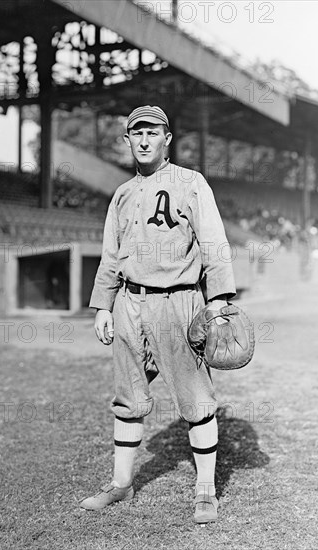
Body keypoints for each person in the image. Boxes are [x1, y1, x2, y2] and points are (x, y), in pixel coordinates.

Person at [80, 105, 236, 524]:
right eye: (137, 133)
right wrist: (102, 306)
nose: (145, 140)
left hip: (178, 302)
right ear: (127, 141)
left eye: (153, 132)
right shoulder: (123, 193)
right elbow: (111, 255)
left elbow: (215, 244)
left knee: (196, 399)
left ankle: (206, 491)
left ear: (168, 138)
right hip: (130, 303)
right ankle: (121, 484)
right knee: (127, 398)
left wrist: (218, 301)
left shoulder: (190, 182)